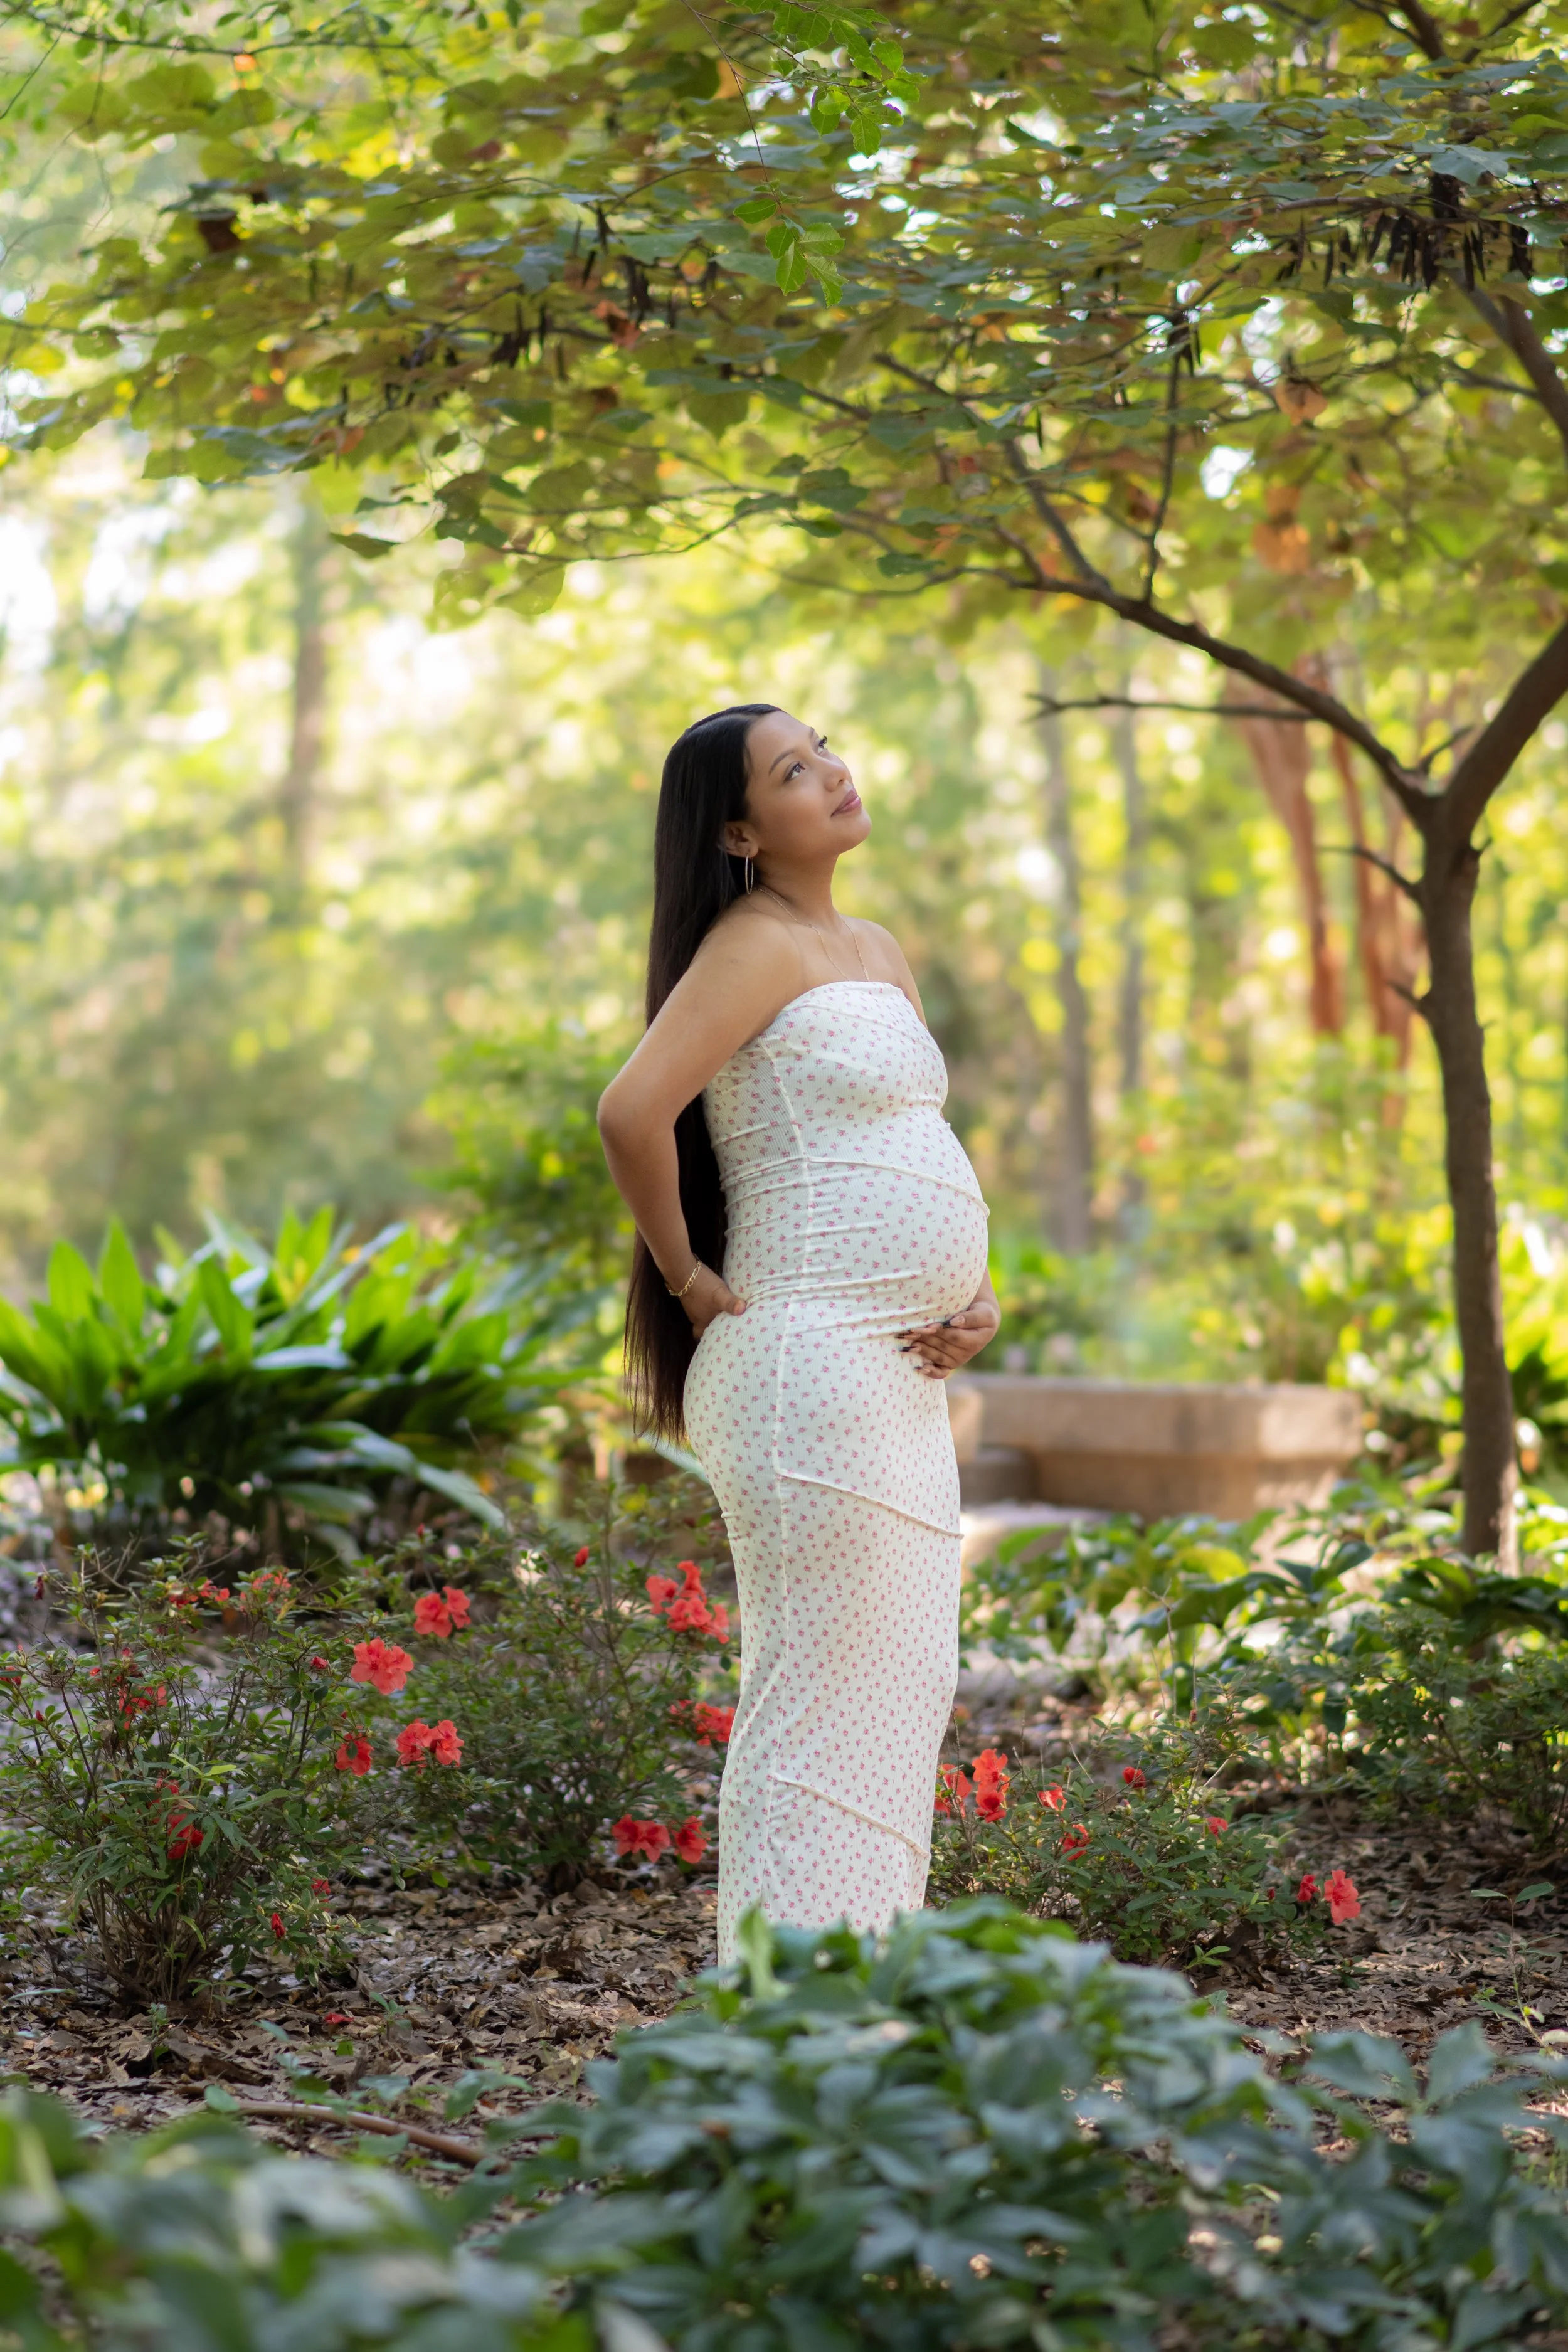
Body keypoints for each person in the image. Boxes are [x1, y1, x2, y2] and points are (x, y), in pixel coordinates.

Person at [597, 704, 1000, 1961]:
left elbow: (894, 1134)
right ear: (735, 830)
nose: (831, 769)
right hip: (805, 1368)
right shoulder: (752, 944)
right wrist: (687, 1276)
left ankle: (863, 2020)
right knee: (823, 1704)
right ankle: (781, 2031)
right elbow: (630, 1112)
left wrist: (974, 1293)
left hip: (894, 1374)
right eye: (790, 770)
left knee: (896, 1695)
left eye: (825, 745)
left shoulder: (872, 946)